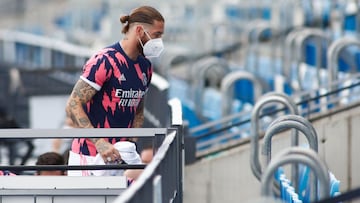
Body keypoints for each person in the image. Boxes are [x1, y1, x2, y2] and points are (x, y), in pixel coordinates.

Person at [65, 5, 165, 176]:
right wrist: (99, 143)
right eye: (157, 35)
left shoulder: (146, 67)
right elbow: (72, 105)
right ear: (140, 31)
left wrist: (131, 142)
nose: (159, 42)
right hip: (89, 156)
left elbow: (138, 108)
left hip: (121, 158)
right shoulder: (104, 61)